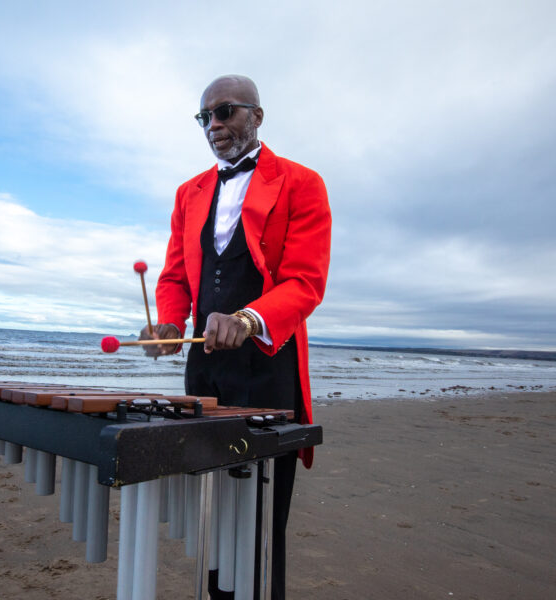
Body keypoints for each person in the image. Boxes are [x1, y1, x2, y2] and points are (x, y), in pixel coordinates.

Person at [141, 74, 331, 599]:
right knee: (211, 514)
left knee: (259, 522)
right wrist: (169, 325)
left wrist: (248, 318)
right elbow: (177, 275)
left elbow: (306, 282)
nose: (214, 125)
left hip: (269, 371)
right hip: (204, 375)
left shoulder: (302, 182)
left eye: (225, 112)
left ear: (257, 116)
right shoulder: (188, 192)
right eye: (205, 117)